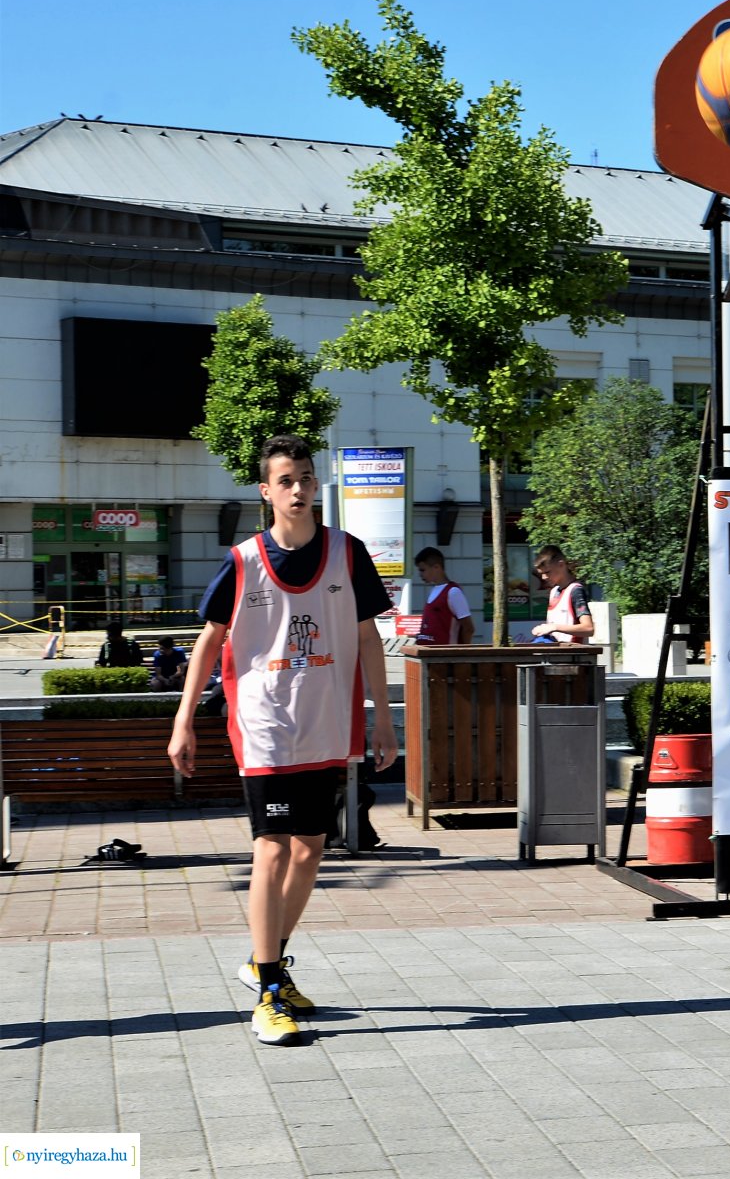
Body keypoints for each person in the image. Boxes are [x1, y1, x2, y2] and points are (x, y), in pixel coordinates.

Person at [167, 434, 399, 1045]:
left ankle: (267, 959)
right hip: (265, 725)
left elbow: (370, 638)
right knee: (271, 848)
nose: (298, 490)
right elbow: (210, 642)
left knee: (311, 850)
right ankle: (268, 992)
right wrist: (183, 719)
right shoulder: (244, 561)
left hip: (326, 724)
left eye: (305, 478)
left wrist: (383, 715)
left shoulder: (348, 553)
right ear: (266, 492)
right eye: (286, 481)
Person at [525, 546, 594, 645]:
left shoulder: (575, 590)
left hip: (574, 657)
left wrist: (554, 627)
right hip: (556, 655)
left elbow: (588, 628)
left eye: (547, 572)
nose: (544, 577)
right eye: (541, 574)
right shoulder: (554, 591)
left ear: (561, 565)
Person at [411, 547, 475, 645]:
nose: (420, 574)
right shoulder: (434, 591)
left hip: (445, 657)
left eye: (423, 570)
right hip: (429, 656)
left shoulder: (453, 592)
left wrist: (462, 655)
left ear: (436, 567)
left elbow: (469, 628)